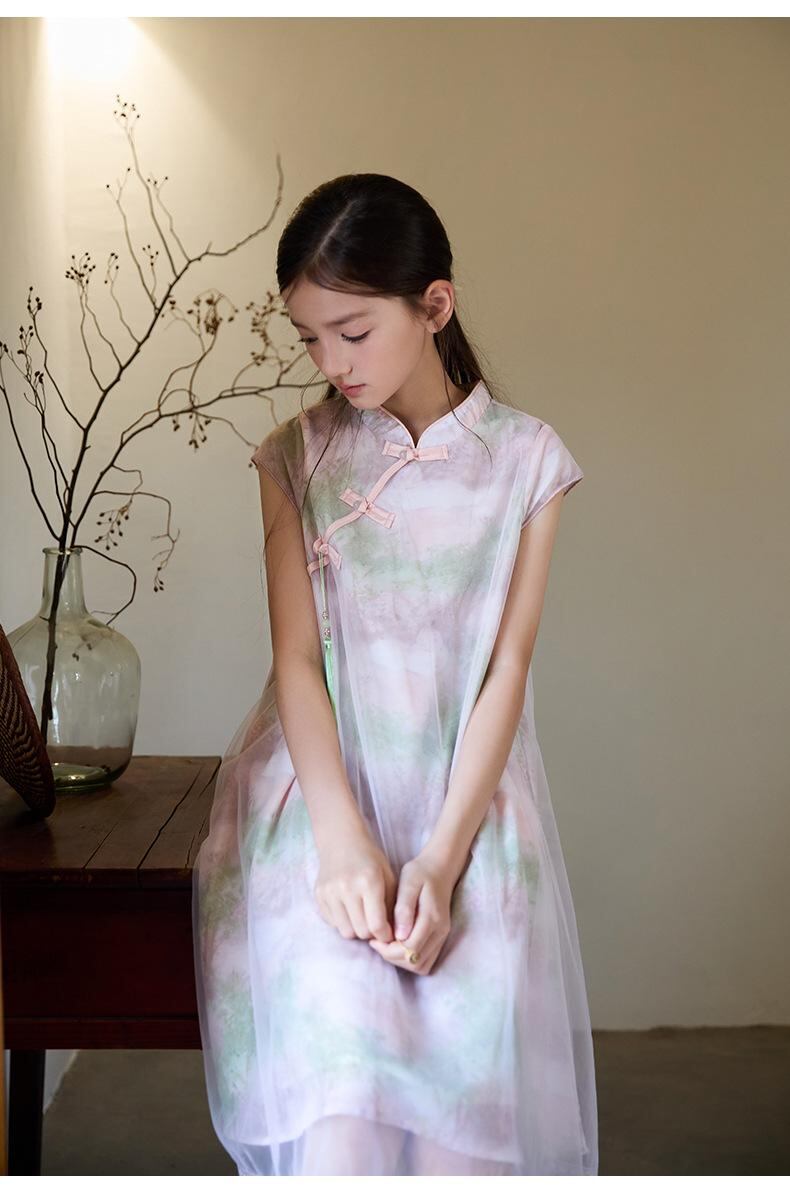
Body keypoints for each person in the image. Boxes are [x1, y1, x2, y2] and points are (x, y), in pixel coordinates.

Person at [191, 172, 598, 1176]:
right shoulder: (296, 456)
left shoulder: (527, 462)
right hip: (318, 804)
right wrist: (340, 842)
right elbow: (296, 661)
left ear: (435, 305)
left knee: (460, 1137)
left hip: (468, 809)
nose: (332, 362)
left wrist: (444, 860)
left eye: (353, 331)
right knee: (344, 1124)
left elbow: (504, 667)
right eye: (309, 338)